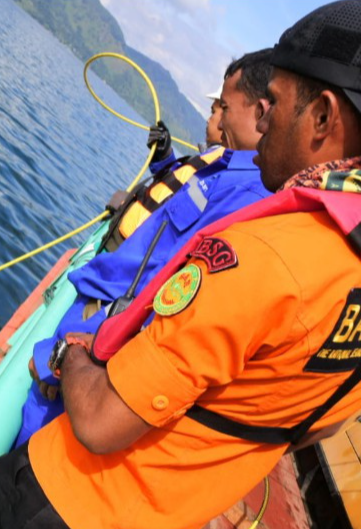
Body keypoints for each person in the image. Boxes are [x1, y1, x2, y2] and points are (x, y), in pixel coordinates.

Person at [0, 3, 361, 529]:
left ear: (323, 116)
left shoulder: (266, 255)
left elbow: (101, 422)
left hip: (64, 498)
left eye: (277, 105)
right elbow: (315, 428)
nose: (264, 128)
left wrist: (71, 354)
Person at [14, 49, 273, 449]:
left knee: (31, 444)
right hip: (92, 303)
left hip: (93, 332)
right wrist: (164, 157)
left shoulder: (248, 196)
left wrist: (64, 354)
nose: (217, 114)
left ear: (258, 109)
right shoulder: (223, 164)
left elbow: (169, 295)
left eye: (224, 104)